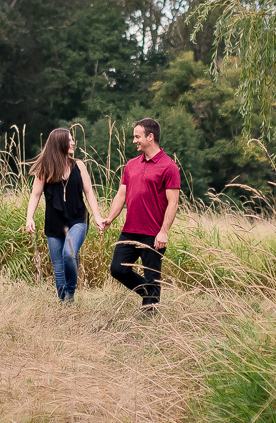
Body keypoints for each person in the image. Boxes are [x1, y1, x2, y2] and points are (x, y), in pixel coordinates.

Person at [102, 118, 181, 313]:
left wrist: (164, 232)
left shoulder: (169, 167)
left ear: (150, 137)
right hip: (130, 230)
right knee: (118, 269)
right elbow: (121, 194)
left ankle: (150, 322)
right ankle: (150, 293)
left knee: (152, 275)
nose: (134, 141)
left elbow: (173, 203)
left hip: (153, 233)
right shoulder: (131, 165)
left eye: (137, 137)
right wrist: (110, 219)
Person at [23, 127, 104, 303]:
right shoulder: (45, 169)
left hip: (78, 220)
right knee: (58, 268)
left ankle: (70, 293)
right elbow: (35, 194)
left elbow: (89, 192)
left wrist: (97, 216)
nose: (73, 142)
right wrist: (29, 218)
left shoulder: (79, 165)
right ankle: (64, 302)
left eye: (72, 139)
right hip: (54, 223)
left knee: (69, 254)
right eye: (69, 140)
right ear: (59, 143)